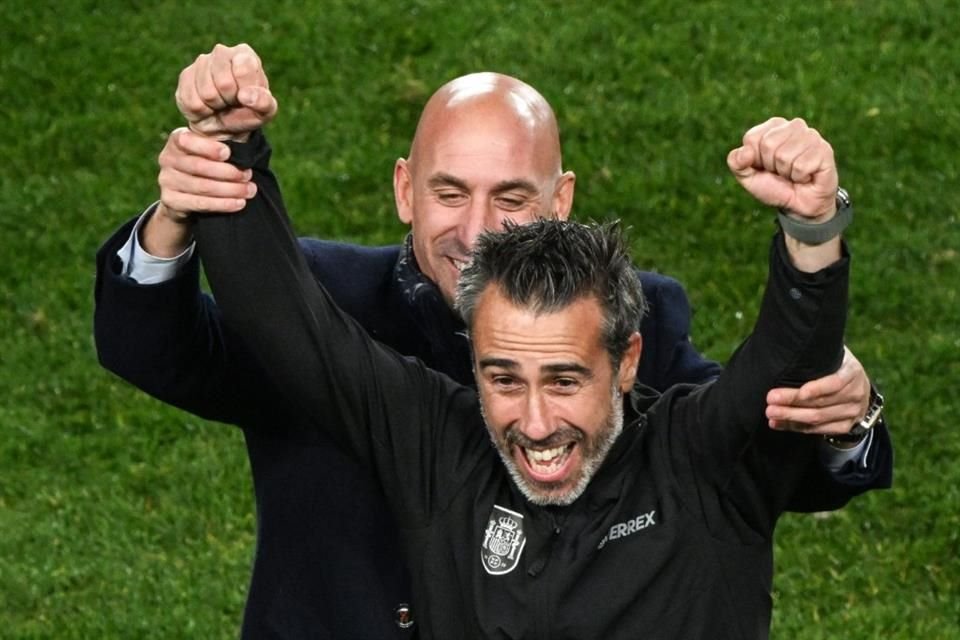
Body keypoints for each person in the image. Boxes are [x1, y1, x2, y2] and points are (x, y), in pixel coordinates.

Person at [93, 43, 891, 637]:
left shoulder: (646, 324)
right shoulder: (344, 326)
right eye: (450, 192)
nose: (476, 233)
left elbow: (757, 440)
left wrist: (839, 395)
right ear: (406, 188)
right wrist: (205, 179)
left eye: (509, 196)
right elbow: (171, 342)